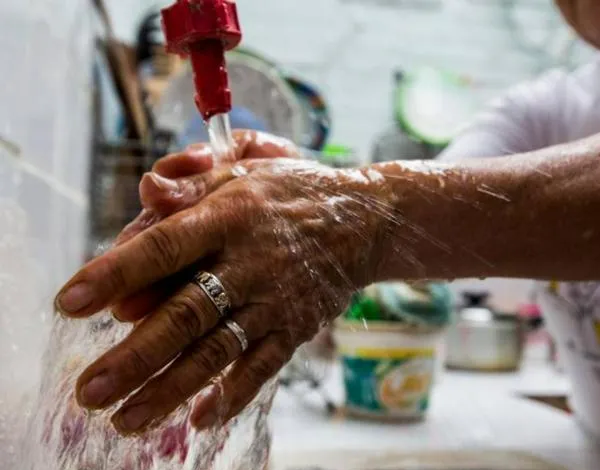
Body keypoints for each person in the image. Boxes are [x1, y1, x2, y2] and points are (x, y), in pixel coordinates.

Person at [55, 0, 600, 436]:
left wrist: (357, 212)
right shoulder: (545, 110)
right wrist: (293, 188)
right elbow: (451, 207)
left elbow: (391, 211)